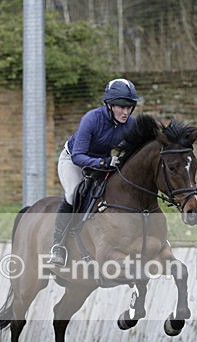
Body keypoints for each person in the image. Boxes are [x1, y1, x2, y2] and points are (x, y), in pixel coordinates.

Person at [47, 78, 142, 267]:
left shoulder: (130, 124)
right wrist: (104, 162)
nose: (125, 112)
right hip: (73, 161)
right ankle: (57, 246)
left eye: (129, 107)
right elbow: (78, 156)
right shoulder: (91, 119)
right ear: (109, 105)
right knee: (73, 194)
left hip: (102, 163)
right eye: (121, 107)